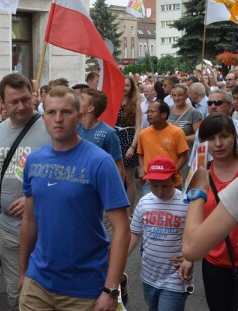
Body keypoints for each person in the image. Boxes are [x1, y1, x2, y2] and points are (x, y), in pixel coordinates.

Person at [18, 86, 130, 311]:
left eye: (66, 112)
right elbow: (29, 219)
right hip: (38, 282)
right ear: (43, 116)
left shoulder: (100, 162)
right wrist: (23, 271)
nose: (58, 119)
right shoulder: (34, 160)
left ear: (79, 117)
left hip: (86, 287)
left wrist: (111, 290)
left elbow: (122, 228)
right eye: (51, 112)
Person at [0, 73, 50, 311]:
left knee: (50, 294)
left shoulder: (50, 126)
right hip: (8, 229)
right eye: (14, 102)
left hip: (46, 227)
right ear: (3, 103)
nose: (21, 106)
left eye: (25, 99)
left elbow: (69, 174)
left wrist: (36, 199)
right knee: (17, 292)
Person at [128, 157, 192, 311]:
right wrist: (118, 259)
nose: (160, 191)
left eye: (165, 185)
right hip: (148, 275)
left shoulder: (186, 203)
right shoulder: (144, 202)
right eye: (155, 185)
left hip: (175, 276)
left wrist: (190, 258)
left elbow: (197, 237)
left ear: (175, 179)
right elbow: (135, 234)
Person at [190, 113, 238, 311]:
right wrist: (188, 257)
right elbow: (191, 219)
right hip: (215, 263)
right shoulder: (200, 176)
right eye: (210, 138)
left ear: (234, 137)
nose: (218, 144)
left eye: (224, 136)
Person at [138, 101, 189, 195]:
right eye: (147, 112)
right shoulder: (143, 133)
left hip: (171, 181)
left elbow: (184, 156)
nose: (149, 114)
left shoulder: (177, 132)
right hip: (150, 181)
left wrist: (172, 172)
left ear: (164, 114)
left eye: (152, 112)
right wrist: (142, 170)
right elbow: (141, 154)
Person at [78, 88, 124, 181]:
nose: (76, 100)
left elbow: (119, 167)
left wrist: (116, 192)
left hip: (98, 184)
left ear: (90, 108)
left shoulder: (109, 133)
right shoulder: (73, 129)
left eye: (81, 98)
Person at [115, 75, 141, 215]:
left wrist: (132, 146)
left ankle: (130, 212)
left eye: (127, 85)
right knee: (117, 177)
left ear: (132, 88)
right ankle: (118, 209)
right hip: (115, 138)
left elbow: (138, 127)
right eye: (122, 85)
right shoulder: (114, 101)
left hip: (129, 139)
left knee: (129, 179)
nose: (124, 88)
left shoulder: (135, 103)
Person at [168, 84, 202, 149]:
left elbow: (199, 135)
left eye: (180, 95)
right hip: (170, 151)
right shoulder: (168, 110)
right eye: (174, 95)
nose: (176, 98)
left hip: (187, 151)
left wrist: (182, 139)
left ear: (186, 96)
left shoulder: (194, 113)